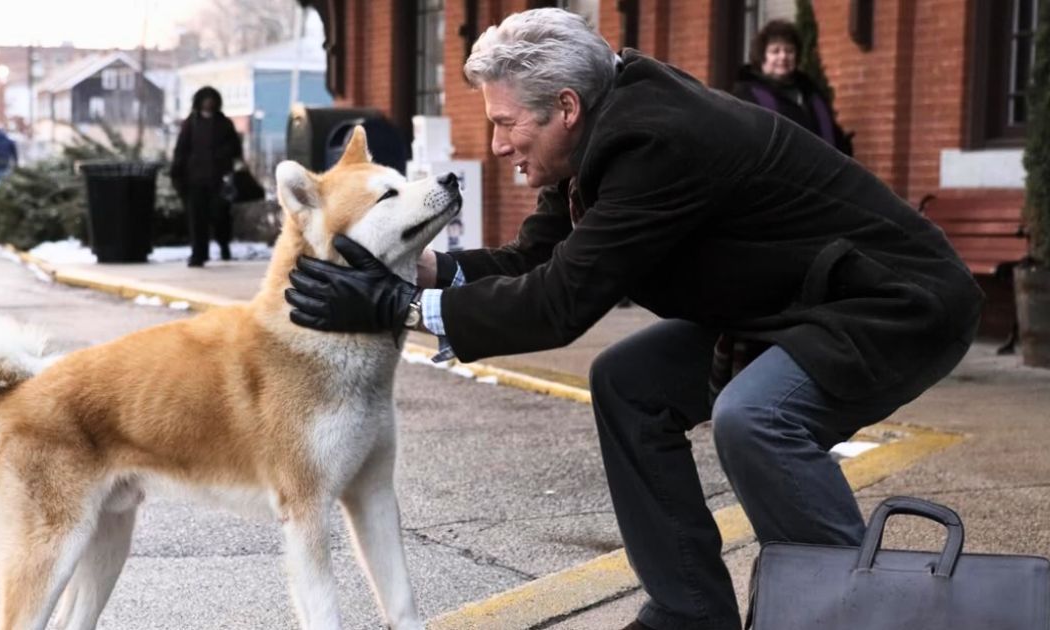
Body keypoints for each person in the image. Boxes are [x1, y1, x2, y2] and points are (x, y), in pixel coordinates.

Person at [285, 9, 982, 630]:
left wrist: (396, 308)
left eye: (504, 123)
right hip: (791, 306)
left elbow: (559, 304)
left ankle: (852, 612)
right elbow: (536, 260)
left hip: (893, 303)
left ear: (564, 107)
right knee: (629, 381)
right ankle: (689, 611)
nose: (497, 144)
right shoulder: (596, 133)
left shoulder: (655, 142)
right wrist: (420, 272)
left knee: (755, 417)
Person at [731, 19, 853, 156]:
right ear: (762, 57)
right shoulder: (747, 95)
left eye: (789, 51)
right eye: (775, 51)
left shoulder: (811, 93)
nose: (783, 57)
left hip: (821, 173)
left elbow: (833, 135)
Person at [170, 86, 243, 267]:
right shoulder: (191, 124)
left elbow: (236, 149)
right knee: (197, 219)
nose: (208, 102)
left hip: (219, 180)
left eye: (211, 99)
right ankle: (198, 254)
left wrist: (223, 158)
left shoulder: (224, 123)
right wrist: (177, 172)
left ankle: (224, 244)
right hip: (195, 180)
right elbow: (181, 150)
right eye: (205, 98)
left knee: (220, 216)